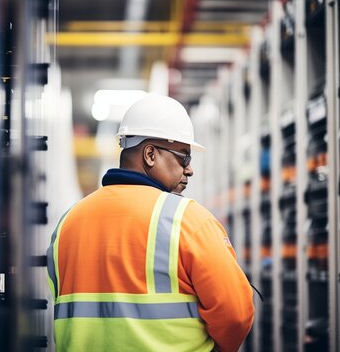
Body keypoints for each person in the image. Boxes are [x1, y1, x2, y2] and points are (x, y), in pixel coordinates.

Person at [46, 93, 254, 352]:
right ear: (150, 155)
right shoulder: (187, 220)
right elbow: (236, 314)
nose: (190, 170)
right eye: (184, 157)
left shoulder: (67, 224)